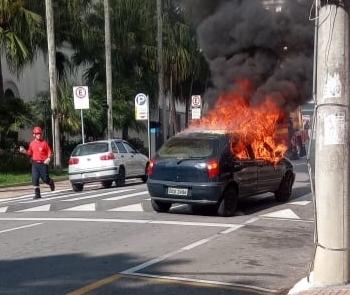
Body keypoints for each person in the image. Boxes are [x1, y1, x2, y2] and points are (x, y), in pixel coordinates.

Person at [19, 126, 55, 199]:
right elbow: (29, 153)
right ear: (34, 135)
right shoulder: (32, 144)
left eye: (40, 134)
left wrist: (48, 158)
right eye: (37, 134)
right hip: (35, 164)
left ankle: (51, 182)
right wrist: (24, 151)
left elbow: (50, 152)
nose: (39, 135)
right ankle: (37, 194)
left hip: (43, 164)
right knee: (34, 179)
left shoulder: (44, 143)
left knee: (45, 179)